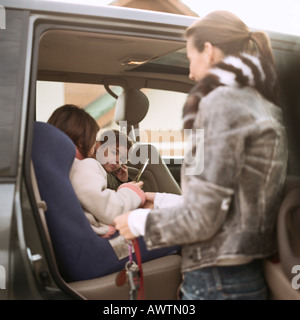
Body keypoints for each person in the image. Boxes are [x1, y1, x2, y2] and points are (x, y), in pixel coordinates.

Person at [114, 10, 288, 300]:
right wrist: (160, 200)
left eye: (190, 58)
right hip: (244, 277)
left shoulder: (220, 102)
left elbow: (203, 218)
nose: (190, 72)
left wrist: (136, 222)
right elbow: (227, 205)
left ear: (208, 51)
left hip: (215, 280)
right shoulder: (265, 106)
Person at [47, 104, 146, 238]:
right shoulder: (85, 166)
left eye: (123, 158)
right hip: (95, 238)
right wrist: (131, 191)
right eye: (93, 141)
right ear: (83, 143)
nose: (118, 160)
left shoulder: (54, 165)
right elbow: (109, 209)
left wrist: (122, 181)